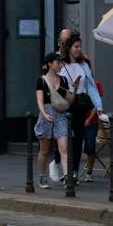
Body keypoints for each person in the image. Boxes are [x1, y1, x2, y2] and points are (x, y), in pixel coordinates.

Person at [59, 32, 104, 181]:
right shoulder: (61, 64)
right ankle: (61, 165)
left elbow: (91, 86)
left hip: (79, 104)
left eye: (80, 46)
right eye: (76, 46)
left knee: (77, 139)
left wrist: (98, 105)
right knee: (63, 138)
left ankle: (74, 171)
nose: (79, 49)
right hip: (65, 104)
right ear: (69, 48)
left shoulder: (84, 65)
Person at [33, 50, 73, 188]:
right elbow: (40, 100)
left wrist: (73, 91)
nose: (60, 65)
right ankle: (42, 176)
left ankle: (67, 177)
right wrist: (44, 113)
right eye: (57, 62)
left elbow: (69, 100)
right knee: (44, 149)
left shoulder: (63, 80)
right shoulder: (41, 80)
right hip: (47, 114)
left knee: (63, 148)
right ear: (50, 64)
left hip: (61, 115)